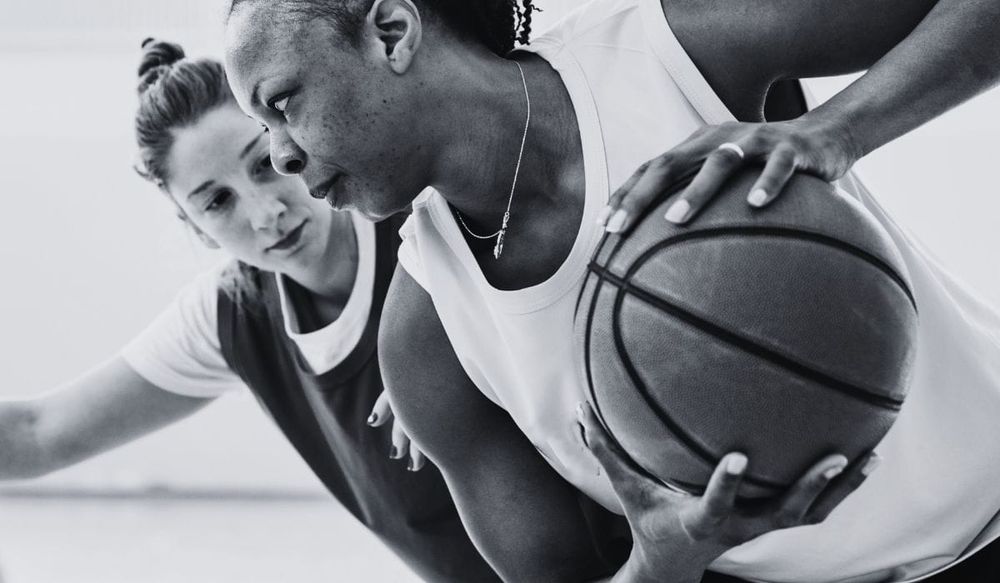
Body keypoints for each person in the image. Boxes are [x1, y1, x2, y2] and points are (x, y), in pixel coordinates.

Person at [223, 0, 1000, 581]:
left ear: (391, 31)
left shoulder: (664, 52)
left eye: (282, 103)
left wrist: (839, 126)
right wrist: (663, 557)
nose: (282, 157)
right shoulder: (424, 341)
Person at [0, 39, 498, 583]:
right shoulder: (231, 313)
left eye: (263, 165)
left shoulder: (424, 219)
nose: (265, 215)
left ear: (292, 139)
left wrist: (464, 360)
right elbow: (35, 433)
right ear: (196, 229)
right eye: (217, 202)